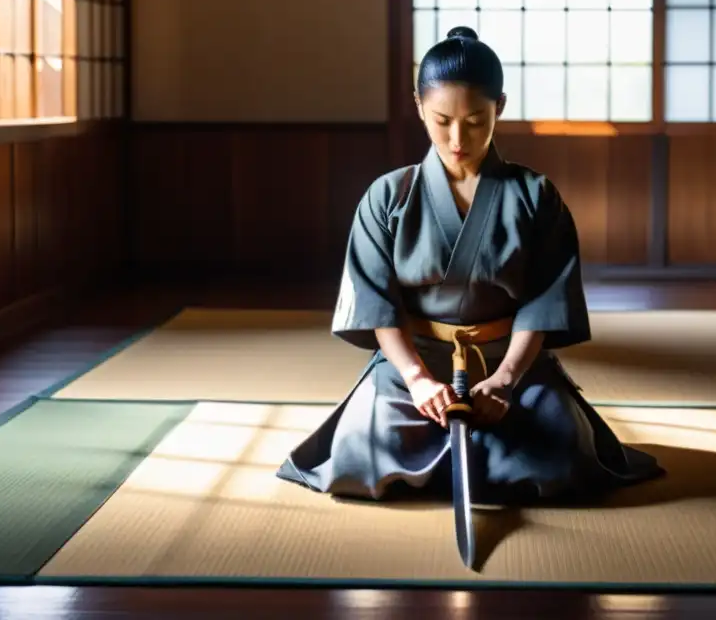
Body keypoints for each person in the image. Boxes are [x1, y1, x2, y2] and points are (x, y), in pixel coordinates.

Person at [276, 26, 664, 504]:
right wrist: (417, 379)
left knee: (562, 457)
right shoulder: (388, 196)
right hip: (411, 361)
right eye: (442, 120)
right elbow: (377, 304)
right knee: (364, 451)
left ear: (499, 107)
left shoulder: (535, 196)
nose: (458, 137)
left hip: (509, 362)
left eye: (477, 120)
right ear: (418, 106)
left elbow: (545, 303)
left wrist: (504, 380)